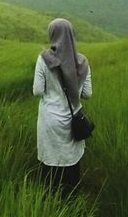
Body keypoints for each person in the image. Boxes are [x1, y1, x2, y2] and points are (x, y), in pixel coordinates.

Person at [32, 17, 92, 198]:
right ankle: (71, 202)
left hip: (49, 120)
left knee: (50, 164)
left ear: (52, 34)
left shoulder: (44, 59)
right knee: (71, 162)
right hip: (72, 120)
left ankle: (50, 202)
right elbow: (87, 94)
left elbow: (37, 91)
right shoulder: (82, 62)